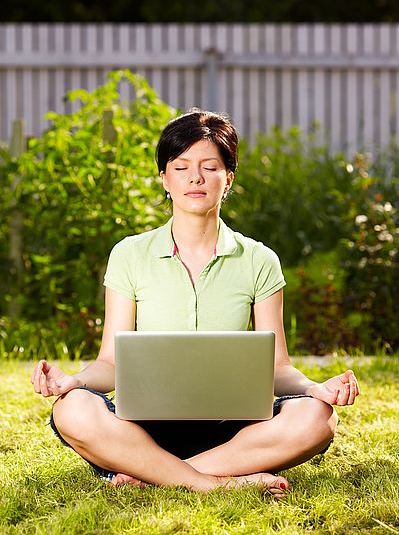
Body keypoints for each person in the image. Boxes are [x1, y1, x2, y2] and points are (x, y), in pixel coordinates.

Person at [31, 108, 360, 497]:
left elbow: (277, 369)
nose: (196, 178)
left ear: (228, 178)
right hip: (143, 425)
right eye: (181, 166)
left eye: (210, 167)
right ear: (164, 179)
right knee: (72, 408)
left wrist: (313, 389)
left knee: (317, 419)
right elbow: (111, 364)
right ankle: (215, 483)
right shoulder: (129, 254)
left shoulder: (259, 259)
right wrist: (75, 381)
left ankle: (152, 472)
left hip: (233, 429)